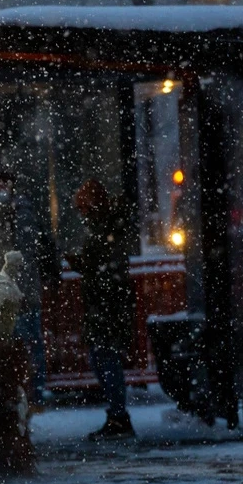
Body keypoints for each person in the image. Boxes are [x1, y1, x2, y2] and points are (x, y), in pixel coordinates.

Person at [67, 179, 135, 440]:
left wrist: (83, 265)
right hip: (106, 304)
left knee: (105, 360)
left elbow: (105, 267)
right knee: (104, 359)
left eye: (83, 208)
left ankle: (118, 417)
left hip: (106, 305)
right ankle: (117, 415)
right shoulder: (107, 226)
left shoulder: (104, 229)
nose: (81, 214)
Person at [0, 171, 59, 408]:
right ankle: (27, 394)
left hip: (21, 292)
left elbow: (20, 254)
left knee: (25, 344)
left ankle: (31, 395)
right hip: (14, 291)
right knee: (24, 344)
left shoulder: (19, 213)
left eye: (1, 186)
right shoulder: (7, 213)